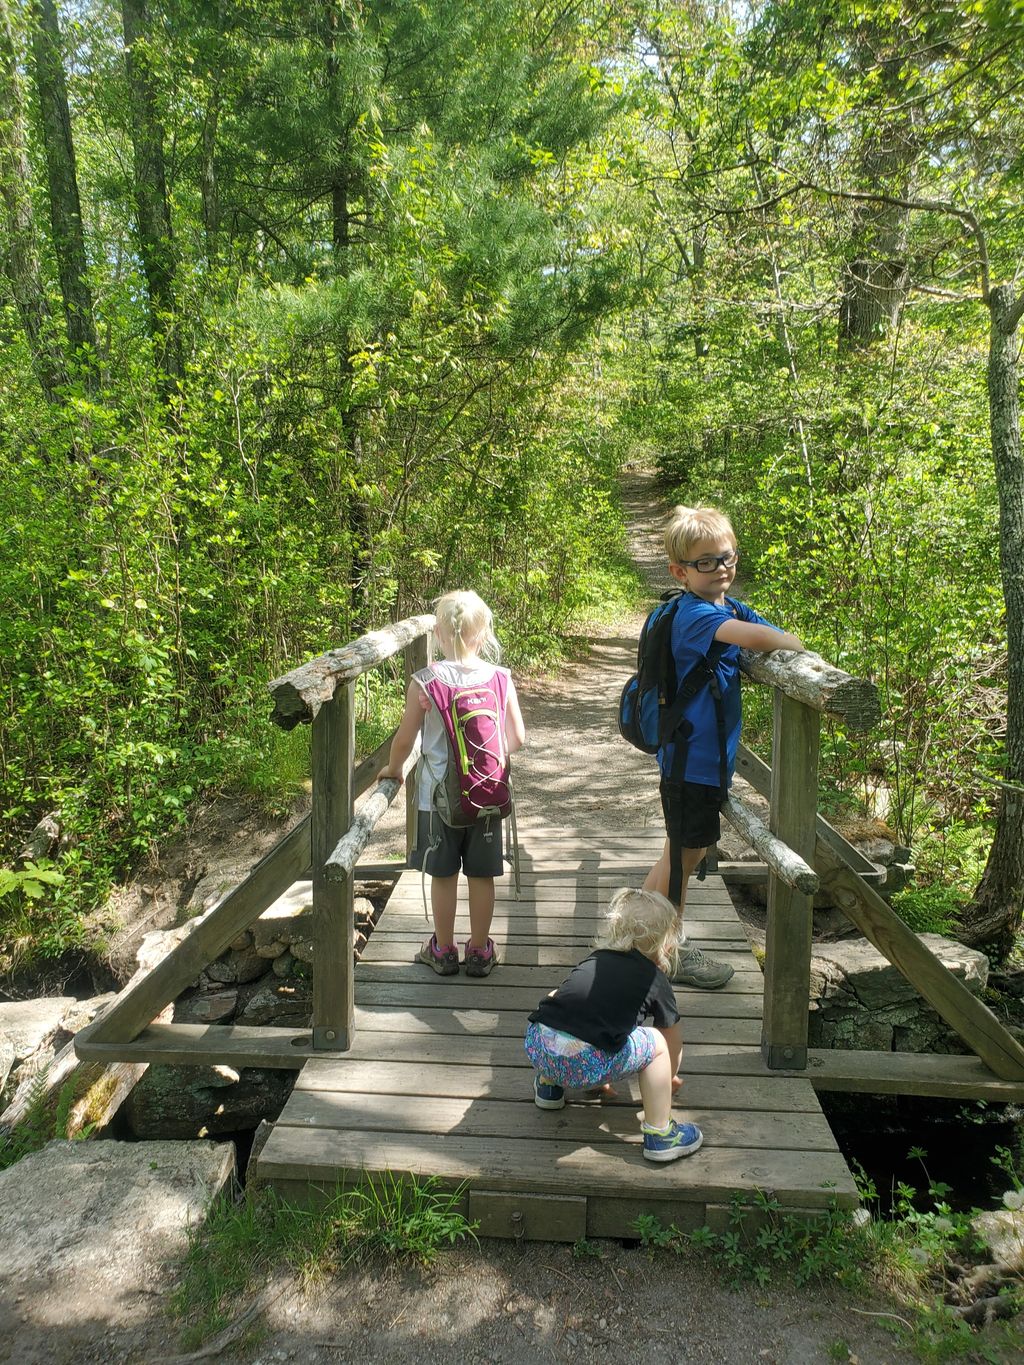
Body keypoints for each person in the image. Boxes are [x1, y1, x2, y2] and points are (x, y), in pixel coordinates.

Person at [645, 505, 804, 989]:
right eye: (706, 562)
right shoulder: (694, 615)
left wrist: (781, 637)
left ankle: (643, 941)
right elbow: (763, 637)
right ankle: (661, 950)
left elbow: (758, 625)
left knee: (681, 854)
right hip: (691, 764)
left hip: (699, 762)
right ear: (680, 571)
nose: (721, 569)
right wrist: (796, 643)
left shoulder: (721, 605)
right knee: (682, 859)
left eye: (727, 558)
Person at [379, 589, 525, 977]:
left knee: (443, 875)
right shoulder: (500, 677)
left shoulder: (425, 681)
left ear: (439, 634)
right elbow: (517, 738)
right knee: (482, 875)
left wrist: (394, 769)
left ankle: (443, 950)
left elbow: (405, 739)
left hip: (437, 799)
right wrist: (487, 769)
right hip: (487, 799)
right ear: (483, 634)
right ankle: (479, 951)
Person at [524, 887, 702, 1163]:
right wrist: (666, 1077)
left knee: (556, 1000)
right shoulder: (656, 980)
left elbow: (585, 1014)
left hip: (540, 1048)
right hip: (585, 1062)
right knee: (656, 1043)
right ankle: (661, 1134)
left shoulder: (594, 959)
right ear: (666, 944)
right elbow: (671, 1039)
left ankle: (549, 1086)